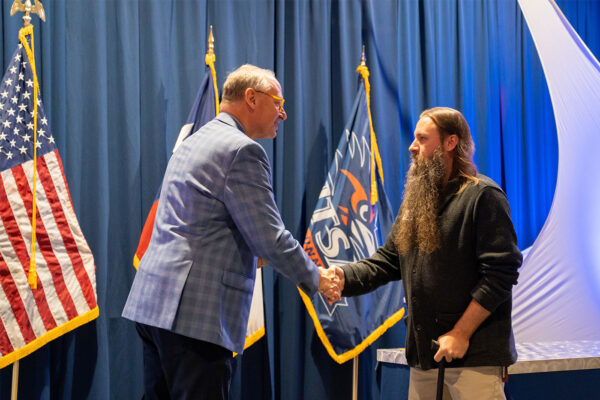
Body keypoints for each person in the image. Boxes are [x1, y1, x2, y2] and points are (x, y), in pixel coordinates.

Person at [122, 64, 339, 400]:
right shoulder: (242, 150)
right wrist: (317, 279)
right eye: (278, 102)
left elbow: (200, 225)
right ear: (251, 98)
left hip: (155, 304)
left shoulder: (194, 141)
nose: (282, 114)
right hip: (196, 315)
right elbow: (271, 237)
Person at [327, 107, 522, 399]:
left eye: (422, 138)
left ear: (450, 142)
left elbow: (501, 274)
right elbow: (389, 261)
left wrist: (460, 334)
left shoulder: (483, 196)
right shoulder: (418, 200)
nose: (412, 146)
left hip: (474, 356)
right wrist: (342, 276)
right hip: (425, 356)